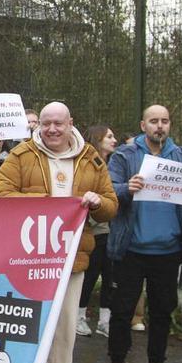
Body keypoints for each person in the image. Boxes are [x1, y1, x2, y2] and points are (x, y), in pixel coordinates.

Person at [0, 101, 117, 363]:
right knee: (17, 324)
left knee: (64, 331)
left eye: (58, 123)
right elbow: (1, 196)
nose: (51, 129)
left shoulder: (90, 158)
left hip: (70, 260)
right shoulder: (21, 155)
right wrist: (48, 205)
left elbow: (111, 205)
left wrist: (97, 202)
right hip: (24, 259)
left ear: (70, 123)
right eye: (46, 123)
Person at [103, 106, 182, 363]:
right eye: (154, 121)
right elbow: (109, 191)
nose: (159, 126)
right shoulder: (125, 155)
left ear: (170, 125)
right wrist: (127, 188)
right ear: (143, 125)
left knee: (163, 311)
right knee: (122, 310)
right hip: (131, 248)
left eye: (164, 121)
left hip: (168, 250)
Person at [78, 124, 118, 337]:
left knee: (110, 276)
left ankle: (105, 321)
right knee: (90, 274)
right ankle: (79, 316)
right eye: (109, 137)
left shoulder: (115, 165)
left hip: (113, 230)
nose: (114, 140)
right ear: (98, 139)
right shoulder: (88, 166)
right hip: (94, 229)